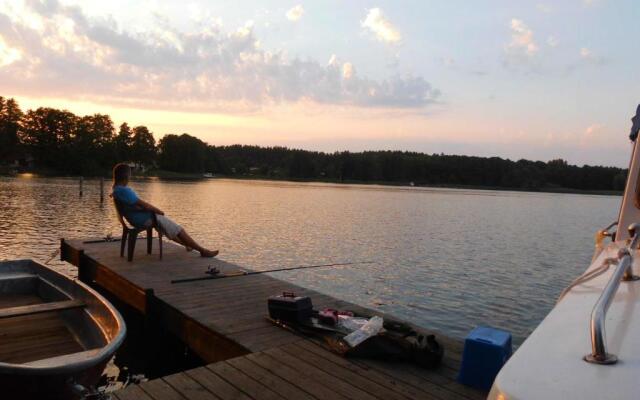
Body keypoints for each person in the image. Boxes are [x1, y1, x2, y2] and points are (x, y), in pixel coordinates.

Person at [111, 163, 219, 258]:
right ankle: (203, 251)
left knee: (169, 228)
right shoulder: (124, 191)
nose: (130, 176)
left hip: (136, 218)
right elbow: (145, 205)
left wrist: (142, 209)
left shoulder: (116, 190)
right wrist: (159, 211)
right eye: (130, 174)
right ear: (125, 175)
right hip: (144, 219)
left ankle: (187, 245)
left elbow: (135, 205)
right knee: (178, 229)